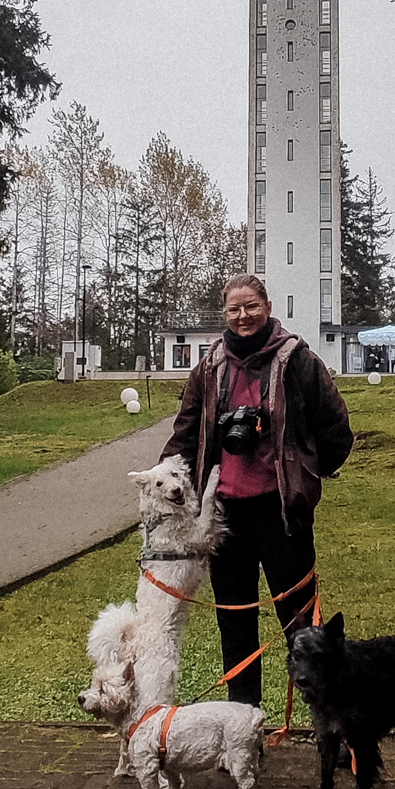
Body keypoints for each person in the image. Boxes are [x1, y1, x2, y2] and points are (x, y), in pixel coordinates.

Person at [159, 273, 354, 706]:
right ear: (225, 313)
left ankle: (328, 719)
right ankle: (242, 722)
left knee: (300, 622)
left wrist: (307, 472)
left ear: (267, 307)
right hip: (225, 514)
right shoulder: (210, 367)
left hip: (282, 511)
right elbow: (186, 432)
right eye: (234, 309)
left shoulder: (297, 361)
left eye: (251, 306)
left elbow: (336, 427)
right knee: (235, 621)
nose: (243, 316)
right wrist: (165, 479)